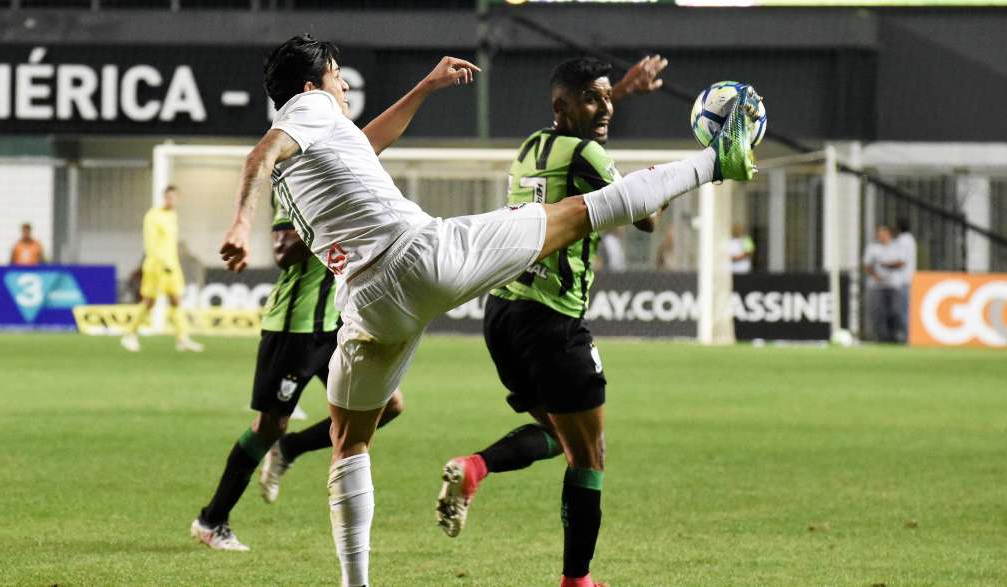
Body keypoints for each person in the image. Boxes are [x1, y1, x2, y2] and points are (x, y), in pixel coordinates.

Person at [218, 34, 758, 587]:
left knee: (349, 442)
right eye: (336, 75)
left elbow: (364, 141)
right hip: (422, 258)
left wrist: (426, 86)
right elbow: (260, 153)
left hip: (367, 303)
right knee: (580, 212)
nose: (343, 84)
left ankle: (354, 583)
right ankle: (718, 160)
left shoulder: (321, 137)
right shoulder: (308, 109)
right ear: (312, 86)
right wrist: (240, 222)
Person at [434, 55, 666, 587]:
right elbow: (647, 217)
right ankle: (576, 580)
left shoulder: (532, 146)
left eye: (608, 97)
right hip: (553, 322)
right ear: (564, 105)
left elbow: (577, 133)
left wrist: (615, 96)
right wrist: (681, 174)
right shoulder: (587, 153)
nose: (605, 107)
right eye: (596, 98)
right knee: (590, 454)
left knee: (558, 435)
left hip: (503, 314)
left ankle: (475, 467)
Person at [190, 185, 405, 551]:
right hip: (294, 327)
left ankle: (290, 449)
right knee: (268, 427)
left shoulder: (345, 181)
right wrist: (339, 225)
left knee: (388, 405)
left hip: (337, 324)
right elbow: (283, 253)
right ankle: (211, 521)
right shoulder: (300, 186)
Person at [120, 186, 204, 352]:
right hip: (156, 266)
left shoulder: (172, 215)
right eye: (169, 198)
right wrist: (162, 263)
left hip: (172, 266)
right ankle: (129, 334)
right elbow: (151, 244)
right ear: (164, 197)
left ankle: (182, 339)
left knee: (176, 300)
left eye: (175, 198)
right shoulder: (153, 216)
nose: (171, 201)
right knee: (149, 302)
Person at [862, 225, 902, 342]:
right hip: (876, 285)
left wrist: (886, 265)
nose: (881, 237)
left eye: (883, 234)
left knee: (895, 311)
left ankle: (895, 335)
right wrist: (875, 275)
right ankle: (881, 337)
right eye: (879, 235)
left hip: (894, 284)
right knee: (878, 312)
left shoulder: (897, 247)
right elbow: (867, 265)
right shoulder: (873, 248)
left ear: (889, 235)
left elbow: (901, 262)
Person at [888, 217, 917, 341]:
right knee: (901, 310)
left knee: (901, 311)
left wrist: (885, 265)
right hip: (905, 280)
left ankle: (906, 337)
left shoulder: (904, 240)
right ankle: (903, 336)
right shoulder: (909, 239)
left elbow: (901, 262)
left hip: (903, 281)